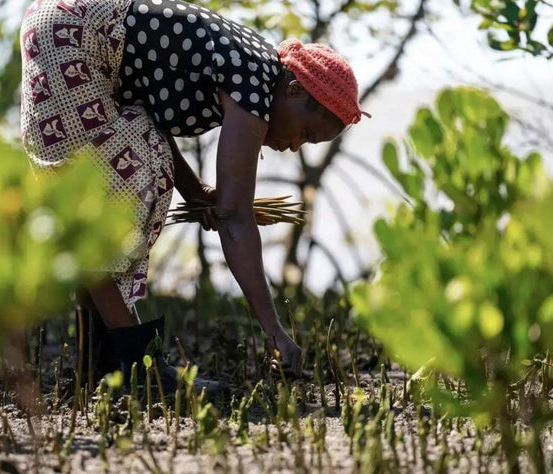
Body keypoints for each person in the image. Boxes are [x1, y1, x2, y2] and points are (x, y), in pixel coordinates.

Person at [20, 0, 369, 390]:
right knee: (111, 192)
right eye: (305, 133)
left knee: (124, 169)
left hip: (69, 23)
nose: (294, 146)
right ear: (292, 91)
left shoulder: (254, 68)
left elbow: (149, 115)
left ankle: (100, 363)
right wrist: (275, 332)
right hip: (73, 34)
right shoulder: (254, 85)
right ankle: (139, 368)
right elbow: (235, 220)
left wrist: (196, 191)